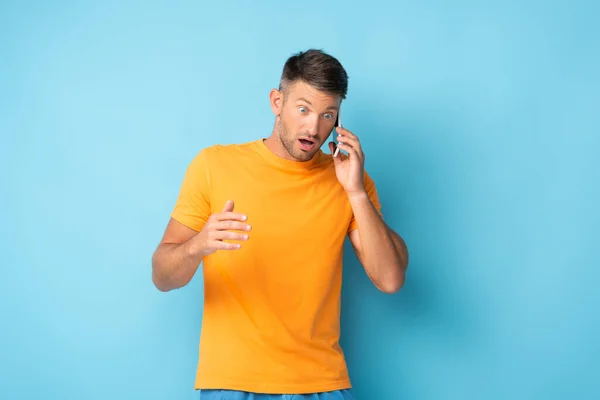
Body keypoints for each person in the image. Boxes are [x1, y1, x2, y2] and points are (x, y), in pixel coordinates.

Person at [151, 49, 409, 400]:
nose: (313, 127)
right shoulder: (214, 165)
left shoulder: (347, 180)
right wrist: (199, 245)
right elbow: (162, 276)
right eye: (303, 109)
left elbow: (390, 278)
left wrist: (356, 192)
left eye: (327, 115)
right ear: (277, 102)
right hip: (234, 383)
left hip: (321, 384)